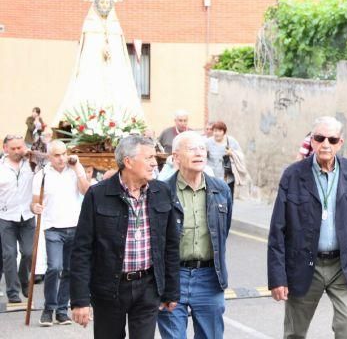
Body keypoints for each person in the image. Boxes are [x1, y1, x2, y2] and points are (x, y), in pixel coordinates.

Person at [268, 116, 347, 339]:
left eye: (332, 139)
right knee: (295, 332)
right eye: (319, 138)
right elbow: (278, 229)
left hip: (341, 265)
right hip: (305, 264)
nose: (325, 144)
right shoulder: (293, 174)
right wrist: (278, 278)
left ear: (340, 143)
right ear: (311, 141)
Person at [70, 134, 180, 338]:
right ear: (128, 162)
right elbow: (81, 250)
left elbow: (171, 245)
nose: (154, 163)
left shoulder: (162, 192)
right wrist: (80, 299)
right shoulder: (97, 195)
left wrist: (171, 290)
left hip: (148, 286)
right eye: (148, 158)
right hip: (109, 288)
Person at [157, 131, 232, 339]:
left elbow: (223, 232)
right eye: (191, 149)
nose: (199, 153)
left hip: (210, 276)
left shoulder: (221, 190)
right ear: (176, 157)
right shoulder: (161, 191)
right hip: (173, 276)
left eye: (202, 149)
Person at [31, 140, 90, 325]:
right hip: (53, 228)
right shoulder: (41, 175)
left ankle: (62, 310)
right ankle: (49, 309)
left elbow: (86, 191)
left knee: (69, 270)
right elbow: (33, 202)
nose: (62, 158)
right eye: (57, 155)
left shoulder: (74, 171)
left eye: (64, 153)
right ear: (49, 156)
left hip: (74, 226)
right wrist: (35, 207)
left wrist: (79, 167)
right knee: (54, 267)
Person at [0, 134, 36, 303]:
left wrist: (33, 155)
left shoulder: (32, 163)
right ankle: (13, 292)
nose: (16, 151)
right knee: (9, 254)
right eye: (12, 148)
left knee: (28, 253)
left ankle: (24, 280)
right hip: (5, 216)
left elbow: (48, 162)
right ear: (5, 148)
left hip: (27, 215)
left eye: (19, 147)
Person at [206, 121, 245, 195]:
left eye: (219, 131)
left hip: (227, 177)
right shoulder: (208, 142)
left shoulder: (231, 141)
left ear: (224, 132)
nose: (216, 133)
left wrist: (232, 153)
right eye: (215, 131)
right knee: (214, 200)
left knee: (228, 199)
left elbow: (241, 155)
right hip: (212, 178)